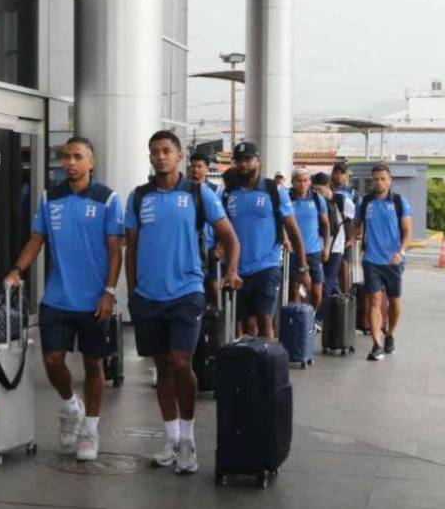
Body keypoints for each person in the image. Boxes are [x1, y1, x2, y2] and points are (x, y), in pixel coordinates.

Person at [126, 131, 240, 474]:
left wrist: (231, 270)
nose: (160, 156)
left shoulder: (197, 193)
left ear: (179, 157)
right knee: (162, 367)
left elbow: (229, 237)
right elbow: (131, 249)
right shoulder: (139, 197)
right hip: (148, 296)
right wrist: (132, 293)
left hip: (187, 292)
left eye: (166, 151)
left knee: (180, 362)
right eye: (154, 152)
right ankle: (171, 438)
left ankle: (189, 440)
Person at [4, 137, 123, 461]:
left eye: (77, 157)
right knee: (53, 360)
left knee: (93, 364)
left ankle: (91, 430)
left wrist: (109, 292)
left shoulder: (108, 199)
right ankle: (71, 406)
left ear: (91, 162)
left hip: (94, 301)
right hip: (57, 298)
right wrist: (17, 270)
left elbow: (116, 251)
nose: (70, 162)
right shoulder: (49, 198)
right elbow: (36, 240)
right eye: (66, 157)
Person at [225, 142, 308, 338]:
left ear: (258, 161)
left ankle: (268, 356)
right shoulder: (228, 193)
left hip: (267, 266)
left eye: (248, 159)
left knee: (265, 319)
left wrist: (303, 267)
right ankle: (246, 356)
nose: (243, 164)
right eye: (239, 160)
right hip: (238, 269)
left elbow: (293, 230)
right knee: (243, 323)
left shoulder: (273, 190)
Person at [351, 163, 412, 361]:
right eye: (376, 179)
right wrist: (352, 237)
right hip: (371, 259)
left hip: (394, 260)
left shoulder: (399, 202)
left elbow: (407, 232)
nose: (379, 182)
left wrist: (401, 252)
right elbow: (357, 225)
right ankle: (376, 344)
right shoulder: (366, 202)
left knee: (394, 301)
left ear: (389, 180)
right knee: (374, 301)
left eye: (383, 179)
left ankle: (390, 334)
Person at [289, 168, 330, 309]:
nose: (302, 184)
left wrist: (326, 247)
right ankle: (299, 318)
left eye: (305, 181)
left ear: (310, 182)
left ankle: (312, 316)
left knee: (317, 292)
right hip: (295, 253)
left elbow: (326, 224)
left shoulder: (317, 199)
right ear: (293, 182)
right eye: (299, 181)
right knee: (298, 291)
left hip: (314, 252)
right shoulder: (288, 199)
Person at [188, 150, 225, 306]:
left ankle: (217, 314)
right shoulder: (184, 190)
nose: (195, 170)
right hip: (191, 247)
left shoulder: (217, 191)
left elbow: (225, 221)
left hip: (210, 247)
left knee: (214, 287)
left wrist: (220, 247)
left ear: (206, 168)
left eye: (199, 166)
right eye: (193, 166)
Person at [313, 172, 355, 298]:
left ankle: (323, 310)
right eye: (314, 189)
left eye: (320, 189)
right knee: (327, 283)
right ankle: (336, 307)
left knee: (327, 282)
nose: (318, 193)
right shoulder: (314, 200)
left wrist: (350, 239)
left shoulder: (342, 201)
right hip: (318, 246)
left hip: (336, 246)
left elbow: (351, 221)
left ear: (328, 186)